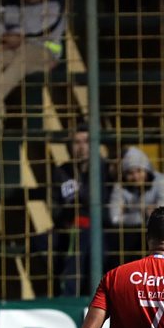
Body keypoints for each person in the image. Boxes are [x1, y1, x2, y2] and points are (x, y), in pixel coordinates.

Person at [0, 0, 65, 129]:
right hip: (17, 52)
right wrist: (5, 37)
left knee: (24, 53)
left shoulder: (53, 7)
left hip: (44, 54)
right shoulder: (12, 9)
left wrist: (18, 35)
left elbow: (41, 31)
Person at [51, 124, 112, 297]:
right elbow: (55, 207)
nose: (82, 147)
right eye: (77, 142)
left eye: (86, 141)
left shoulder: (105, 170)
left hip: (101, 230)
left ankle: (79, 296)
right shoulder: (62, 171)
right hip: (69, 228)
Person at [108, 146, 164, 271]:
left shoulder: (162, 182)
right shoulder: (120, 187)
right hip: (129, 234)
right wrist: (145, 213)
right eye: (130, 173)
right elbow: (115, 218)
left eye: (139, 171)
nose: (135, 177)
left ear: (146, 169)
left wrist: (129, 213)